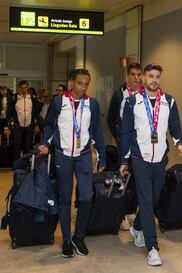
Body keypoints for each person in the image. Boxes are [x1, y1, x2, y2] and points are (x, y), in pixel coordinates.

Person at [119, 63, 182, 266]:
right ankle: (153, 248)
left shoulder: (169, 101)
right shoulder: (132, 102)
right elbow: (126, 133)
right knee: (146, 201)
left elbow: (174, 126)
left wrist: (179, 143)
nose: (154, 80)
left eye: (157, 76)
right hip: (140, 158)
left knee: (154, 199)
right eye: (150, 76)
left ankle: (138, 227)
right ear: (143, 78)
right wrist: (124, 160)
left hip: (160, 158)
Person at [38, 69, 106, 258]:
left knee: (86, 197)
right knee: (65, 199)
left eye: (86, 84)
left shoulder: (92, 103)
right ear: (71, 82)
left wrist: (102, 156)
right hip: (63, 155)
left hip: (84, 155)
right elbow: (50, 124)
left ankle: (79, 236)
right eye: (79, 83)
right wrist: (45, 143)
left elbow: (97, 130)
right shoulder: (60, 102)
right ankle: (67, 239)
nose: (83, 87)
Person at [107, 63, 142, 230]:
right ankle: (119, 214)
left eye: (138, 74)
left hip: (140, 144)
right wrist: (119, 138)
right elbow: (110, 118)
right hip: (124, 143)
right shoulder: (119, 94)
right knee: (122, 177)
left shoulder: (145, 93)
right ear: (128, 76)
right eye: (133, 74)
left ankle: (130, 211)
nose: (136, 77)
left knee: (136, 178)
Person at [10, 80, 40, 159]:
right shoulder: (14, 97)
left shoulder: (32, 97)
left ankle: (26, 164)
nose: (24, 90)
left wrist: (37, 124)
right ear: (19, 88)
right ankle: (16, 164)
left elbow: (36, 112)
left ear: (28, 87)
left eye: (25, 88)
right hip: (18, 125)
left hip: (29, 125)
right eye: (22, 88)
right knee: (17, 144)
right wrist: (6, 126)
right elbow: (9, 112)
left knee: (28, 145)